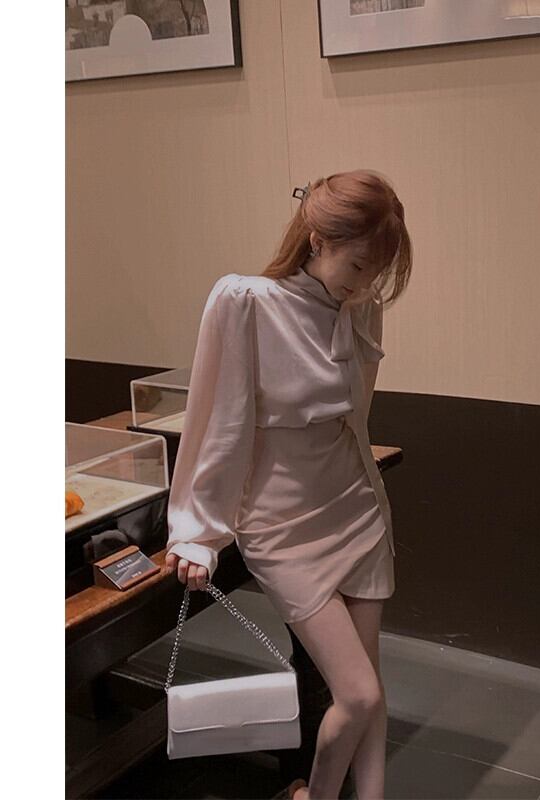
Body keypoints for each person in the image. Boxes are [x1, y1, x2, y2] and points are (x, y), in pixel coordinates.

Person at [164, 169, 413, 800]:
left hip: (356, 510)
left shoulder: (361, 308)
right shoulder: (247, 302)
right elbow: (217, 420)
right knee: (356, 694)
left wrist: (374, 506)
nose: (365, 284)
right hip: (283, 526)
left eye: (376, 272)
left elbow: (355, 421)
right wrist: (199, 531)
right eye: (358, 265)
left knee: (371, 688)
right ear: (318, 239)